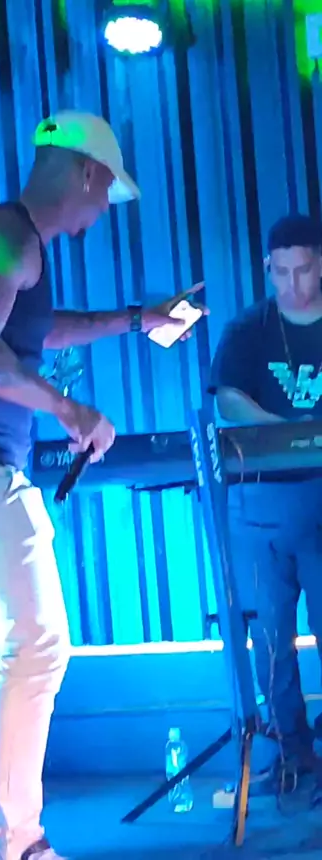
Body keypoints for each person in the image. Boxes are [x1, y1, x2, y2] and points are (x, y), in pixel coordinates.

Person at [0, 111, 205, 860]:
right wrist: (69, 409)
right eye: (107, 193)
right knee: (36, 644)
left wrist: (138, 319)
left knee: (0, 648)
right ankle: (18, 841)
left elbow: (37, 330)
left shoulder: (18, 242)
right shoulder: (4, 235)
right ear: (88, 172)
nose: (103, 211)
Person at [209, 213, 322, 796]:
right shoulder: (248, 328)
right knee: (271, 639)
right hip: (259, 500)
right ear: (267, 268)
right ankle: (291, 752)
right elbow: (228, 398)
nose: (293, 284)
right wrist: (287, 432)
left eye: (303, 270)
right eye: (282, 272)